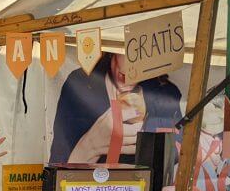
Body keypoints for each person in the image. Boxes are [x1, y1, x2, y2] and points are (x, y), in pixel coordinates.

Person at [49, 52, 181, 164]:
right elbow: (57, 171)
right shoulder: (80, 84)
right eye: (126, 50)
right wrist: (89, 147)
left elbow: (175, 159)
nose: (130, 74)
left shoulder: (165, 94)